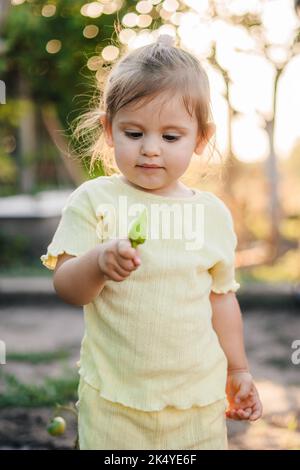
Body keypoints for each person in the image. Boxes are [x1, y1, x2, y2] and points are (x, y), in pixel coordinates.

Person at [41, 34, 262, 450]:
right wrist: (98, 263)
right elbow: (67, 287)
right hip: (115, 403)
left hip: (196, 403)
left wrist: (238, 369)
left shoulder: (212, 214)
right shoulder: (95, 201)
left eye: (171, 137)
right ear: (109, 129)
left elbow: (221, 298)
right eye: (134, 132)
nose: (150, 150)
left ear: (200, 137)